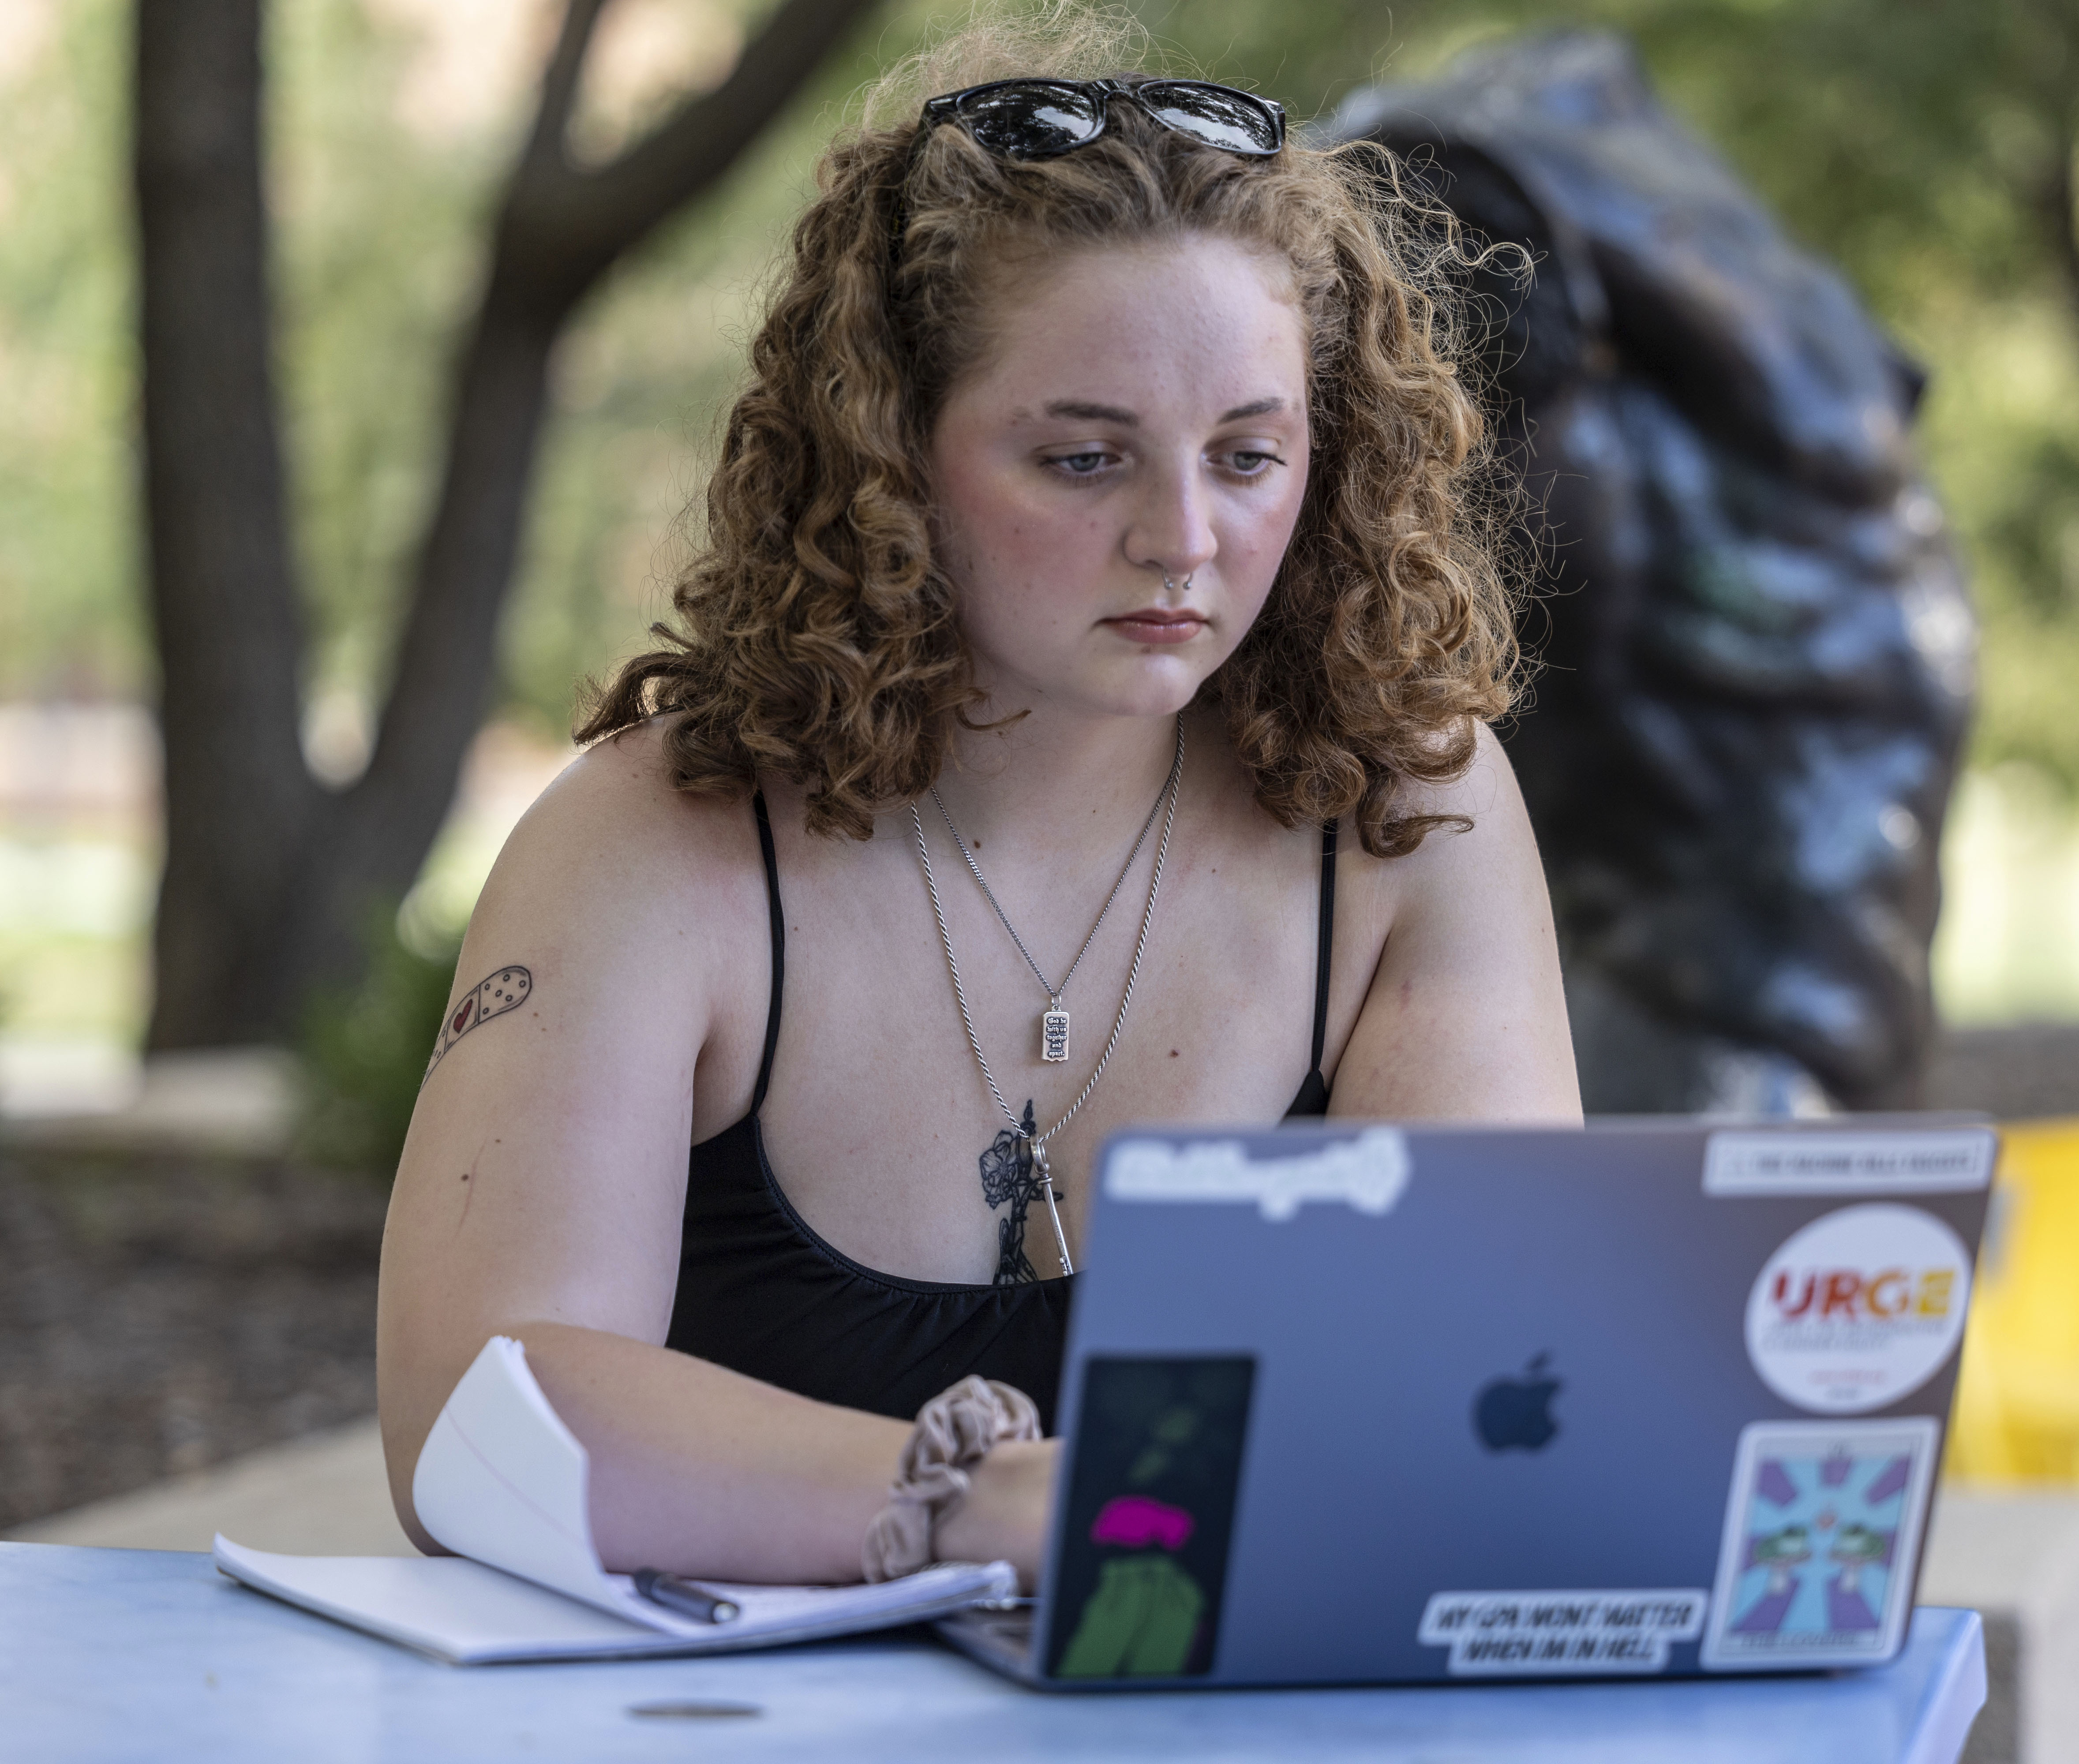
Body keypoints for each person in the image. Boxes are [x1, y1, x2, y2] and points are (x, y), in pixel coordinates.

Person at [375, 12, 1581, 1596]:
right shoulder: (654, 843)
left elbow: (1503, 1386)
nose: (1182, 538)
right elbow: (474, 1417)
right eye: (1086, 461)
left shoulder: (1410, 813)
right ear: (889, 456)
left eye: (1248, 454)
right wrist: (987, 1507)